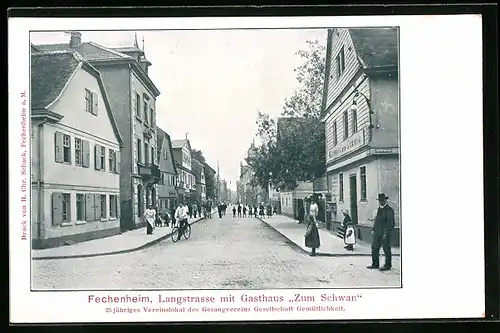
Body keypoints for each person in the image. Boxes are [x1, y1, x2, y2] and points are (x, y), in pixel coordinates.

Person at [367, 193, 395, 271]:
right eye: (380, 201)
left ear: (386, 200)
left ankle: (387, 265)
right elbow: (377, 221)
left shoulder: (389, 210)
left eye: (382, 200)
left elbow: (391, 223)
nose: (381, 202)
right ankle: (375, 264)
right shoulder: (379, 209)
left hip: (385, 233)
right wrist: (373, 230)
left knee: (386, 249)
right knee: (374, 248)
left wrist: (386, 233)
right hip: (377, 233)